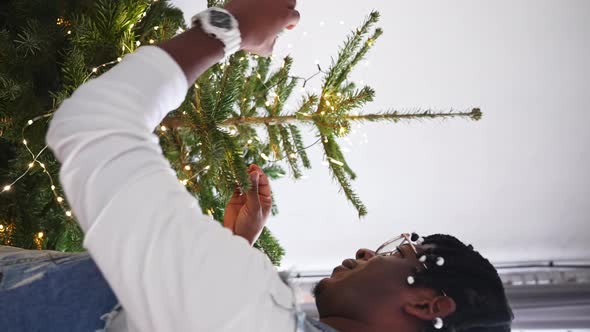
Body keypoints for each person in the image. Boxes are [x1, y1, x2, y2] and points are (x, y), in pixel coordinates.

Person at [0, 0, 513, 330]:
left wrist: (228, 28)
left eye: (400, 251)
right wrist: (229, 250)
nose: (366, 249)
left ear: (428, 305)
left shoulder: (254, 316)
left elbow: (92, 125)